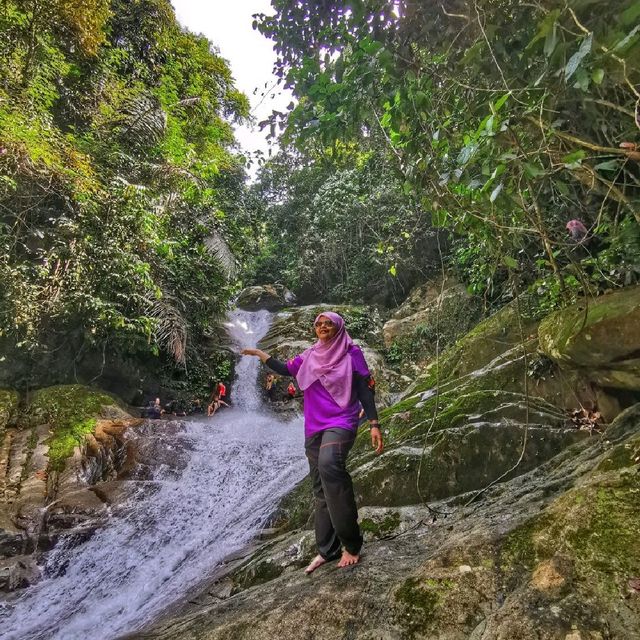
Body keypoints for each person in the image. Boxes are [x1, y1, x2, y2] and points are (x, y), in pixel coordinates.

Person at [242, 311, 383, 574]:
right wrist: (260, 355)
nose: (323, 327)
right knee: (320, 488)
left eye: (328, 323)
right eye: (319, 324)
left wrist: (374, 424)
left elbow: (364, 388)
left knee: (330, 466)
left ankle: (351, 544)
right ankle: (327, 551)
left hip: (341, 421)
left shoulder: (351, 353)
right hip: (314, 427)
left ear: (338, 327)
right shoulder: (310, 355)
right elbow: (286, 369)